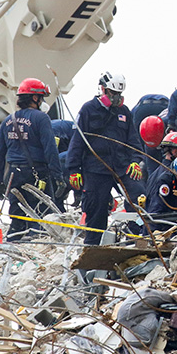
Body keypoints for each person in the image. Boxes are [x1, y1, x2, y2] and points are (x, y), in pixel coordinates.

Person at [66, 72, 145, 245]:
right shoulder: (88, 110)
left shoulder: (124, 112)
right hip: (95, 169)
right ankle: (93, 247)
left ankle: (136, 236)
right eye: (112, 93)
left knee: (139, 195)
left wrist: (135, 161)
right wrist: (73, 170)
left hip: (122, 166)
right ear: (103, 89)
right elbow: (77, 142)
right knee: (96, 207)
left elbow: (133, 140)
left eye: (119, 94)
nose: (116, 98)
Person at [0, 78, 61, 241]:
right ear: (35, 98)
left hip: (13, 175)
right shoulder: (41, 118)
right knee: (43, 218)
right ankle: (36, 252)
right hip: (37, 174)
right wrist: (58, 177)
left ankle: (13, 251)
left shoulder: (8, 121)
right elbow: (50, 149)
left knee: (17, 218)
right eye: (42, 97)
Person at [144, 132, 177, 216]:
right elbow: (156, 212)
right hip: (164, 225)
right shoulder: (169, 176)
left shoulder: (157, 172)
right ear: (175, 152)